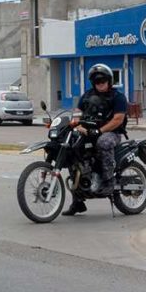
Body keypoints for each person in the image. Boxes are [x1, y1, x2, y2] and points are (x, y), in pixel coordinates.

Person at [62, 63, 128, 216]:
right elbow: (77, 112)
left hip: (112, 133)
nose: (100, 83)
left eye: (103, 80)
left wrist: (99, 131)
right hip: (89, 131)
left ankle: (109, 181)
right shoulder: (87, 95)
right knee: (73, 152)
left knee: (103, 142)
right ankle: (77, 201)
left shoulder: (117, 97)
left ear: (109, 80)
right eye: (97, 81)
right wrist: (77, 125)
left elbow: (118, 119)